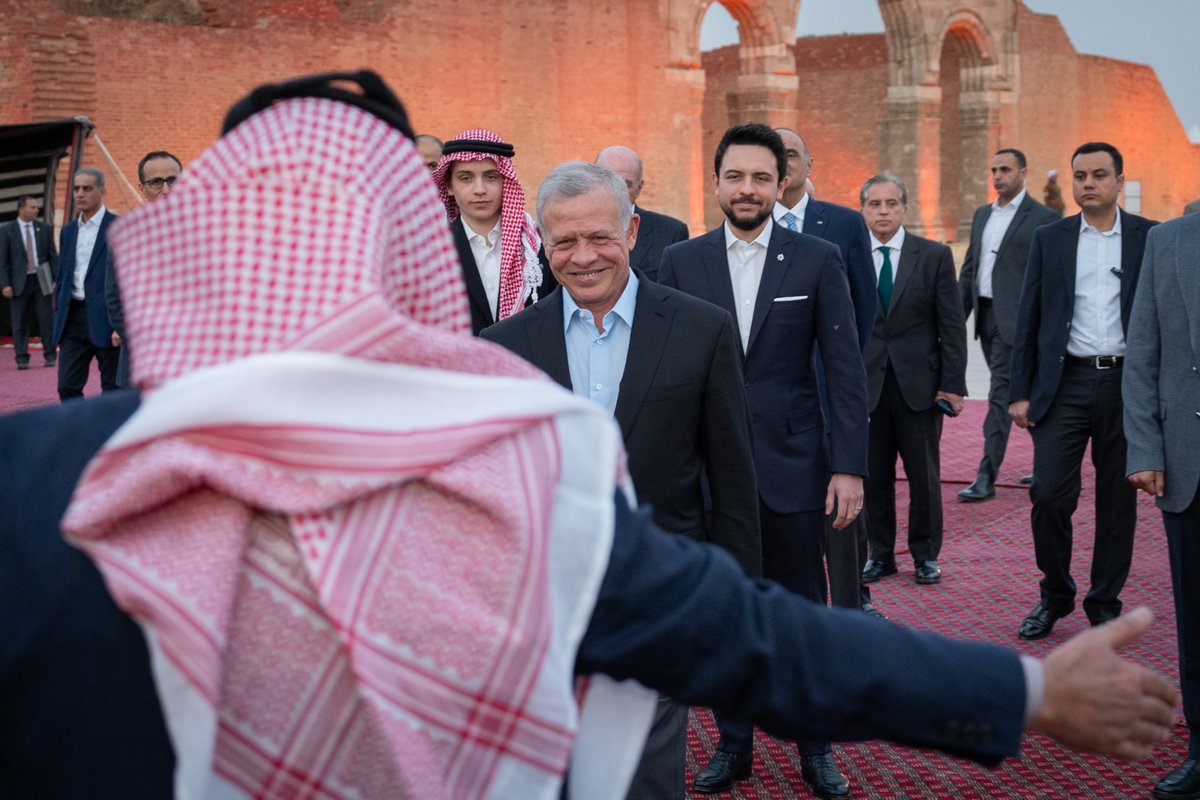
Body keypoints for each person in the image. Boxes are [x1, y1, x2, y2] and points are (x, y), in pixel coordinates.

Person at [0, 72, 1180, 800]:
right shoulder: (502, 485)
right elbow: (759, 638)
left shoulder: (31, 479)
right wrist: (1017, 695)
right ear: (402, 271)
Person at [484, 160, 759, 800]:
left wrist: (732, 606)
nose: (583, 257)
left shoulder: (702, 330)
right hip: (547, 614)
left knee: (647, 773)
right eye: (564, 242)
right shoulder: (504, 347)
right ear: (542, 245)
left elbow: (733, 482)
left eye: (599, 237)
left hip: (664, 596)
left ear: (633, 231)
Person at [660, 123, 868, 798]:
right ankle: (734, 742)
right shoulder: (681, 263)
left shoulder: (816, 259)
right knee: (723, 614)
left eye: (759, 177)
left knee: (803, 612)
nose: (746, 189)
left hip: (795, 469)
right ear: (715, 181)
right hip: (709, 476)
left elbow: (844, 369)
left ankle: (817, 748)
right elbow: (664, 373)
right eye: (734, 176)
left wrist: (849, 466)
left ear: (781, 185)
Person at [1009, 142, 1157, 641]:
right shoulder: (1051, 239)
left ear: (1119, 180)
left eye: (1098, 174)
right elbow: (1027, 317)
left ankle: (1104, 604)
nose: (1088, 183)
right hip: (1064, 384)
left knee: (1119, 503)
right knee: (1049, 495)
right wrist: (1018, 391)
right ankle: (1055, 594)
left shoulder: (1148, 237)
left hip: (1126, 385)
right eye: (1080, 175)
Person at [772, 127, 878, 616]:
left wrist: (837, 363)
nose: (784, 163)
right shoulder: (746, 225)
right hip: (775, 400)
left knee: (840, 517)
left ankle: (851, 608)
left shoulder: (842, 223)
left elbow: (862, 307)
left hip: (829, 393)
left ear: (808, 165)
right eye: (776, 156)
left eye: (791, 154)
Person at [1123, 212, 1200, 800]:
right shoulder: (1167, 240)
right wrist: (1146, 447)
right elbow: (1143, 353)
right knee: (1195, 618)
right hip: (1188, 462)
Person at [857, 173, 966, 588]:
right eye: (874, 204)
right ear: (863, 209)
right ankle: (880, 555)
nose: (883, 211)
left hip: (919, 387)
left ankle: (925, 556)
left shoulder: (933, 255)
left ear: (904, 208)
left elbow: (951, 326)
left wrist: (952, 384)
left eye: (890, 204)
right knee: (874, 476)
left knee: (924, 477)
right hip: (867, 386)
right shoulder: (848, 257)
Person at [958, 148, 1060, 502]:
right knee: (1022, 390)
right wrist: (956, 317)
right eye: (994, 170)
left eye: (1005, 170)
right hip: (985, 317)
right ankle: (1051, 461)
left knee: (1001, 394)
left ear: (1023, 173)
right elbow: (971, 267)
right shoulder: (982, 214)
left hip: (1017, 321)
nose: (998, 176)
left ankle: (987, 475)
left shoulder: (1043, 217)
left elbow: (1051, 275)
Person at [431, 130, 548, 335]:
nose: (479, 189)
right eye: (465, 178)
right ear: (449, 185)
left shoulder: (536, 245)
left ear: (505, 181)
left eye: (490, 177)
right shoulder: (433, 251)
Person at [106, 150, 183, 389]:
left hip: (193, 364)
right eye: (156, 182)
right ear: (143, 188)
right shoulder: (127, 236)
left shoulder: (207, 230)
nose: (166, 189)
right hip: (143, 363)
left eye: (173, 180)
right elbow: (114, 300)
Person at [50, 167, 119, 401]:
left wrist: (120, 324)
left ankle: (110, 436)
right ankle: (77, 435)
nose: (80, 194)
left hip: (107, 319)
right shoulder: (68, 231)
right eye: (77, 189)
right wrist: (58, 314)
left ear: (102, 191)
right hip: (73, 320)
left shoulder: (119, 227)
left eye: (87, 188)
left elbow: (126, 279)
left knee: (112, 388)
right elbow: (63, 275)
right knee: (67, 387)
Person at [594, 145, 688, 281]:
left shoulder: (671, 233)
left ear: (639, 188)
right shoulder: (569, 229)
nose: (615, 192)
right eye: (608, 182)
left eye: (626, 185)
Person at [0, 195, 57, 369]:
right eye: (32, 207)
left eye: (36, 207)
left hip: (42, 279)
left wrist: (56, 279)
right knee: (20, 321)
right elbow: (2, 260)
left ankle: (50, 356)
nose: (36, 210)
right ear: (22, 209)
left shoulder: (44, 228)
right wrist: (5, 284)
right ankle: (22, 358)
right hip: (19, 281)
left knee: (46, 319)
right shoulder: (7, 230)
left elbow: (52, 255)